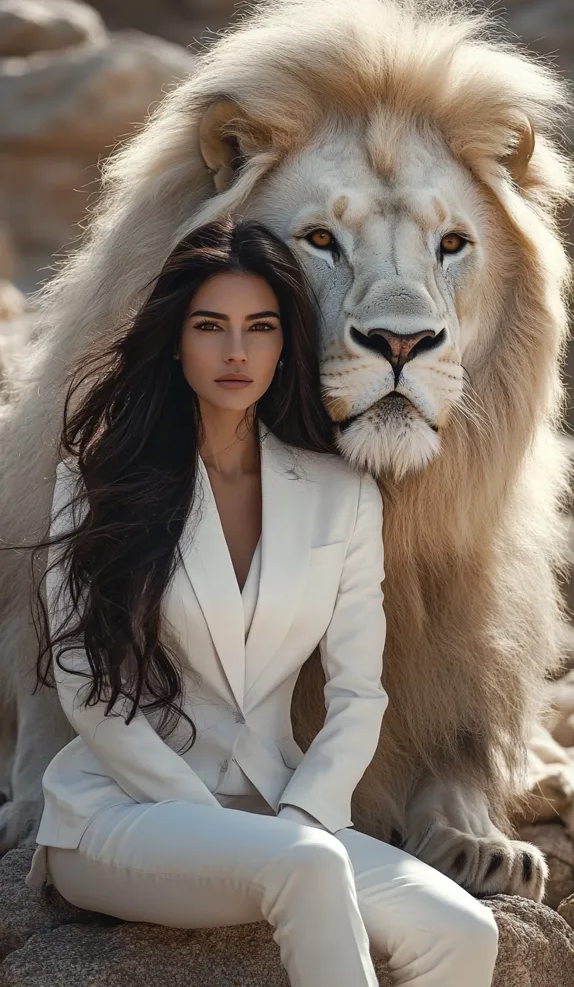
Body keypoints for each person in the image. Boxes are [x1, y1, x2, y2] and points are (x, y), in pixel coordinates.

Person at [24, 217, 498, 987]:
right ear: (176, 340)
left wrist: (307, 810)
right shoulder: (101, 472)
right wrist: (201, 824)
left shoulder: (341, 495)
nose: (236, 351)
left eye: (261, 327)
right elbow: (84, 681)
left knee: (465, 933)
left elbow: (356, 691)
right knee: (305, 867)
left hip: (280, 813)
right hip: (121, 816)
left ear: (288, 343)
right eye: (210, 326)